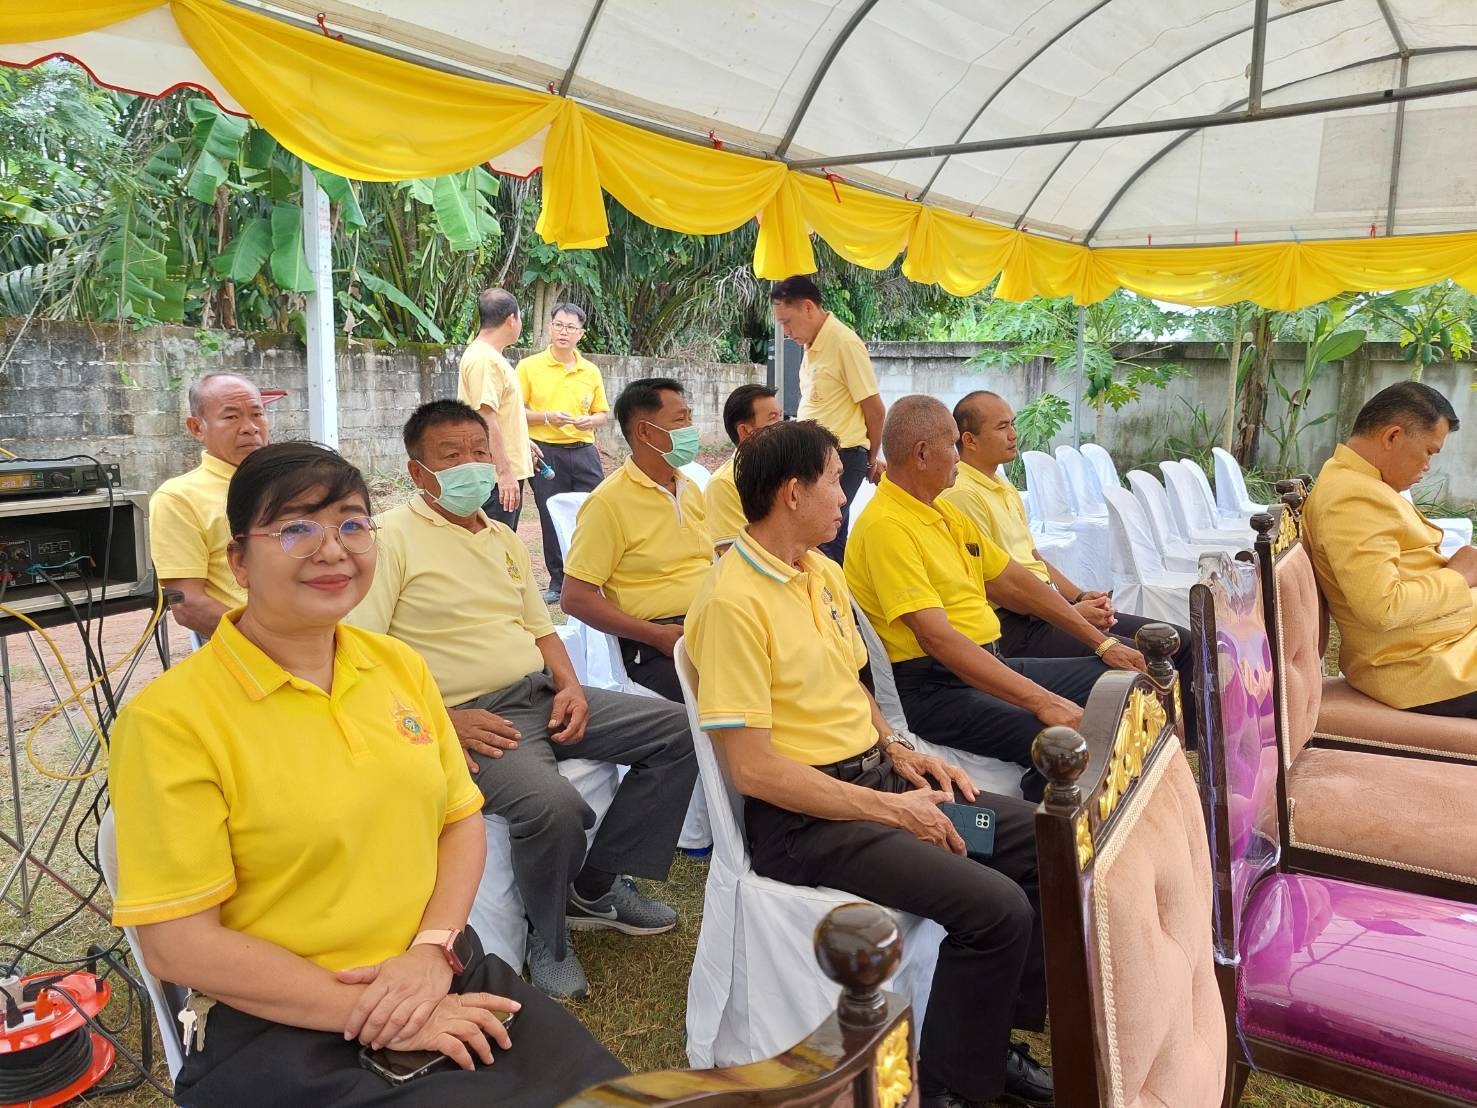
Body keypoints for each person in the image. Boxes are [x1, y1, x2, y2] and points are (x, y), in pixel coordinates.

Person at [109, 441, 626, 1107]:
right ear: (237, 560)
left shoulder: (397, 667)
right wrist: (378, 1011)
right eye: (297, 527)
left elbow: (459, 818)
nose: (333, 550)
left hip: (438, 969)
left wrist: (431, 952)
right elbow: (180, 948)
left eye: (353, 523)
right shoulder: (171, 721)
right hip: (284, 1019)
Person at [686, 419, 1053, 1108]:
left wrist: (897, 751)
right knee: (994, 908)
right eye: (834, 480)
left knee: (1034, 840)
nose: (846, 493)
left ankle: (990, 1040)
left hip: (875, 782)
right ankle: (953, 1090)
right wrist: (894, 810)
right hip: (811, 821)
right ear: (792, 492)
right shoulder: (732, 601)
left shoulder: (820, 570)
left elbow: (851, 685)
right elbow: (755, 771)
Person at [348, 401, 697, 999]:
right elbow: (362, 653)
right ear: (417, 473)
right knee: (551, 808)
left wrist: (568, 685)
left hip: (539, 692)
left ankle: (596, 884)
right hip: (474, 715)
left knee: (680, 732)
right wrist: (443, 720)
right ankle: (548, 935)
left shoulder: (501, 540)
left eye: (479, 453)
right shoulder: (392, 540)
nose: (471, 467)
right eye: (451, 457)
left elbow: (542, 627)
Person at [846, 396, 1144, 800]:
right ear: (921, 454)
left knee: (1127, 683)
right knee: (1060, 742)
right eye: (952, 445)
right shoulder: (887, 527)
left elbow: (1018, 581)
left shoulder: (943, 512)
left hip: (987, 663)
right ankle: (1046, 845)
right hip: (936, 688)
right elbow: (938, 640)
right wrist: (1044, 702)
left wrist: (1103, 642)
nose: (958, 456)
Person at [942, 390, 1197, 746]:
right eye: (1002, 427)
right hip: (1018, 625)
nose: (1014, 434)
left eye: (1013, 424)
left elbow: (1034, 557)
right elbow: (1001, 586)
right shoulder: (961, 495)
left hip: (1048, 609)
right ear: (968, 440)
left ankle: (1194, 748)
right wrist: (1072, 612)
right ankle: (1166, 755)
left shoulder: (1001, 484)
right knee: (1140, 662)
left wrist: (1080, 595)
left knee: (1179, 641)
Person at [1303, 381, 1477, 718]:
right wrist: (1459, 576)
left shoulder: (1353, 479)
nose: (1428, 466)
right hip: (1421, 666)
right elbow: (1383, 607)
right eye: (1430, 451)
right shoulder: (1353, 498)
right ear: (1393, 436)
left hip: (1442, 645)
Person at [562, 379, 712, 703]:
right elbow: (575, 598)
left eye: (689, 417)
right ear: (645, 432)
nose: (690, 428)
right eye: (680, 420)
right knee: (734, 698)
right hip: (657, 643)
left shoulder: (689, 488)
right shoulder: (608, 503)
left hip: (711, 625)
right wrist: (655, 635)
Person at [771, 275, 884, 563]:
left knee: (822, 537)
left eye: (788, 322)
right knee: (822, 536)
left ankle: (831, 604)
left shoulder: (844, 342)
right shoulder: (811, 346)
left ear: (808, 307)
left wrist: (871, 459)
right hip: (816, 456)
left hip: (843, 457)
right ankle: (833, 601)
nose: (786, 332)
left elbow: (874, 409)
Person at [149, 372, 270, 638]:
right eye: (231, 417)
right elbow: (187, 603)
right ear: (196, 427)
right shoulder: (178, 498)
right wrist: (270, 642)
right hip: (248, 647)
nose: (250, 427)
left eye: (257, 414)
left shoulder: (290, 483)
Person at [519, 302, 609, 602]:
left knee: (595, 510)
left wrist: (590, 420)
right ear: (549, 327)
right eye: (559, 325)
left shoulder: (590, 371)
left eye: (571, 327)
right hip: (545, 451)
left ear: (580, 334)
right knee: (550, 513)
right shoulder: (529, 367)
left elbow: (602, 414)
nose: (564, 332)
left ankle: (597, 576)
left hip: (584, 449)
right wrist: (546, 417)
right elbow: (515, 411)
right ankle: (558, 582)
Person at [457, 288, 535, 531]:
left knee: (501, 545)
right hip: (493, 476)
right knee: (495, 549)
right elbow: (485, 417)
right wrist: (503, 473)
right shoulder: (485, 360)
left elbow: (499, 414)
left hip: (499, 470)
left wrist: (523, 442)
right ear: (512, 319)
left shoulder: (488, 356)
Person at [706, 383, 783, 552]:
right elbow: (736, 554)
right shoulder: (724, 484)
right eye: (773, 418)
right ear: (746, 431)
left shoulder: (787, 471)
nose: (782, 425)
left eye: (781, 416)